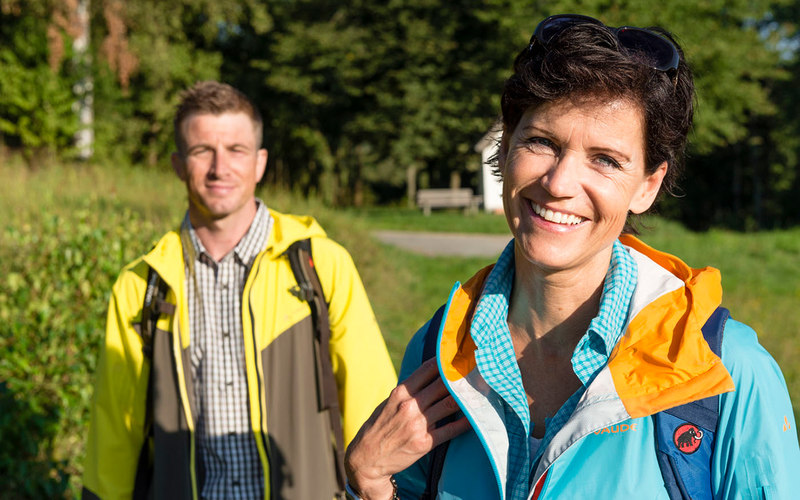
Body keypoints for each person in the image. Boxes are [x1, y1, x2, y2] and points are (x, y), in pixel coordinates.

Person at [345, 14, 800, 500]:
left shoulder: (726, 372)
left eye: (605, 159)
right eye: (542, 142)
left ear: (648, 185)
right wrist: (370, 485)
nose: (559, 183)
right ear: (507, 146)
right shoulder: (438, 351)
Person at [82, 81, 397, 500]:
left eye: (236, 150)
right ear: (178, 164)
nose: (220, 168)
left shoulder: (321, 265)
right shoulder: (140, 286)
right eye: (202, 151)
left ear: (260, 162)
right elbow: (114, 434)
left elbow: (372, 405)